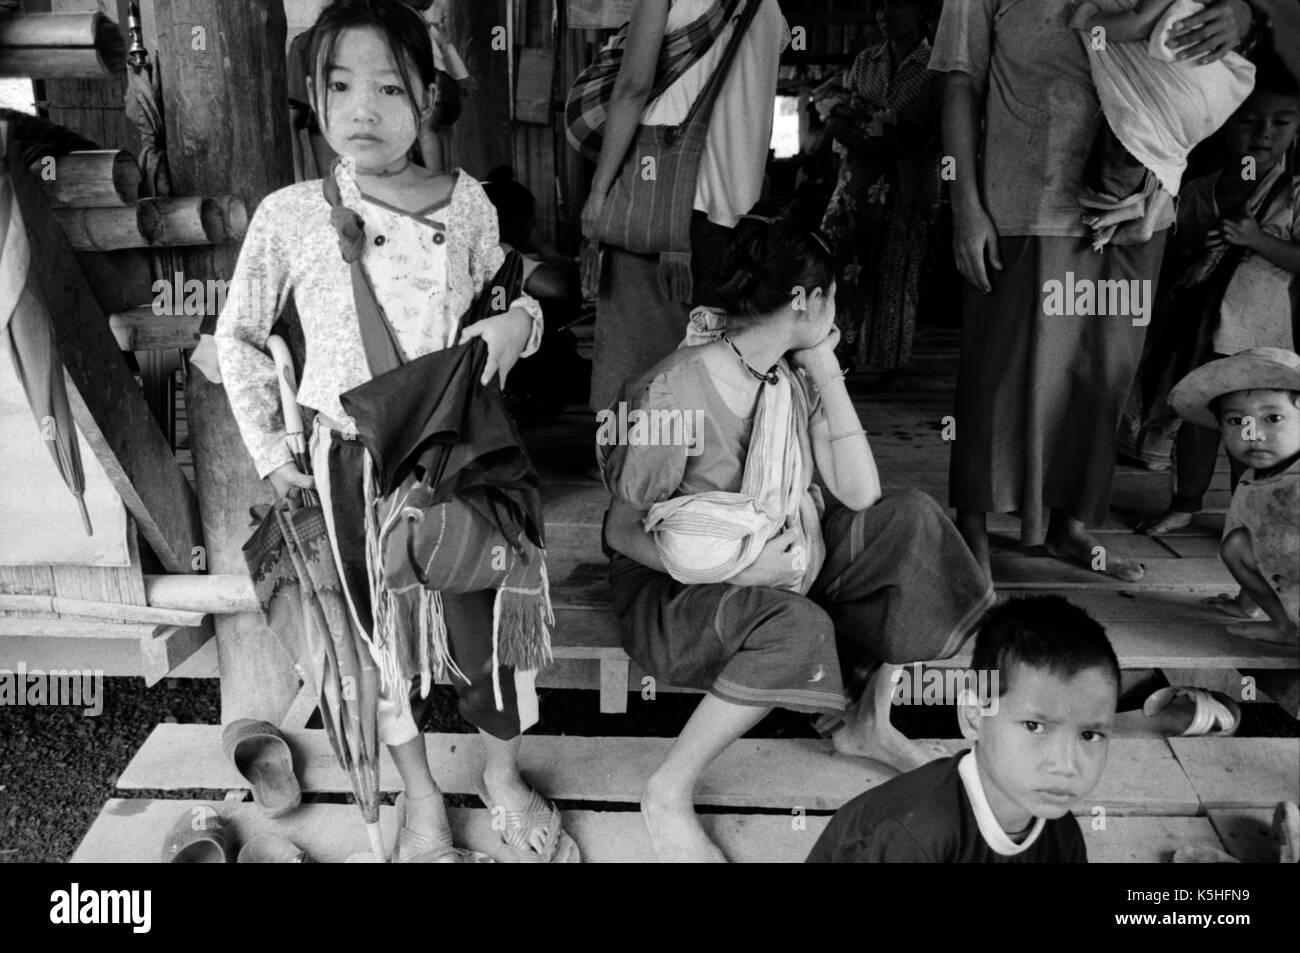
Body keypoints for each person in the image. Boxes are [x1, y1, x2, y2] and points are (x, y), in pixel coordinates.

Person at [217, 0, 576, 862]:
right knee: (375, 648)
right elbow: (235, 337)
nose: (361, 111)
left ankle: (500, 774)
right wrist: (272, 455)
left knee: (489, 628)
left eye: (388, 87)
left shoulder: (471, 208)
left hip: (462, 460)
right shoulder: (291, 215)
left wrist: (517, 325)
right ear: (315, 92)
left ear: (430, 100)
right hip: (349, 472)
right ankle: (422, 798)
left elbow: (519, 298)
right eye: (340, 85)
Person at [599, 212, 995, 862]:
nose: (837, 308)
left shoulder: (787, 375)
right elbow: (621, 531)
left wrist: (825, 368)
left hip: (785, 548)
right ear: (808, 301)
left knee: (912, 522)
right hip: (674, 587)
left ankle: (869, 720)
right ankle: (666, 789)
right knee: (798, 624)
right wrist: (746, 570)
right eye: (832, 296)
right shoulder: (677, 394)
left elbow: (861, 492)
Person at [930, 0, 1255, 583]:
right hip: (1022, 207)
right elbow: (961, 85)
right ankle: (972, 530)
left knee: (1100, 375)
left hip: (1134, 206)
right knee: (998, 377)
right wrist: (964, 208)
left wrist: (1242, 14)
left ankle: (1071, 528)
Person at [579, 0, 790, 413]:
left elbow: (632, 87)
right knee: (706, 343)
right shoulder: (769, 8)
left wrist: (598, 191)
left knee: (635, 342)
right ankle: (695, 458)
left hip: (657, 192)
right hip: (734, 204)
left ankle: (630, 459)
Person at [807, 596, 1117, 863]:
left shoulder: (1062, 838)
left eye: (1089, 735)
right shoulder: (914, 838)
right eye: (1035, 726)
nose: (1066, 765)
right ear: (974, 716)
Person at [1134, 58, 1300, 540]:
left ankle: (1250, 515)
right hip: (1203, 329)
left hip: (1263, 336)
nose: (1263, 133)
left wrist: (1257, 240)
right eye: (1247, 120)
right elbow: (1167, 251)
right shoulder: (1201, 191)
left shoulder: (1294, 193)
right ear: (1222, 123)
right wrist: (1194, 244)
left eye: (1281, 122)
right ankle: (1186, 503)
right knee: (1200, 422)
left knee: (1257, 430)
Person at [818, 0, 943, 388]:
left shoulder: (935, 66)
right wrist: (852, 129)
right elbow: (841, 115)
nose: (887, 15)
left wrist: (892, 134)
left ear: (920, 11)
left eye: (898, 6)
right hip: (858, 182)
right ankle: (841, 354)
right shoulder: (866, 61)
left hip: (907, 184)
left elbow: (937, 131)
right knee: (844, 269)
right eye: (881, 7)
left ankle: (891, 364)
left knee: (896, 272)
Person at [1066, 0, 1255, 251]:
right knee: (1169, 155)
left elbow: (1134, 25)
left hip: (1177, 92)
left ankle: (1120, 206)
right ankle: (1144, 217)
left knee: (1130, 134)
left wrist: (1088, 20)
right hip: (1211, 95)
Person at [1169, 348, 1300, 645]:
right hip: (1289, 579)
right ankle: (1285, 625)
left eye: (1273, 417)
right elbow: (1263, 539)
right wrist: (1247, 601)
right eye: (1237, 421)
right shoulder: (1254, 479)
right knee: (1237, 545)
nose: (1252, 433)